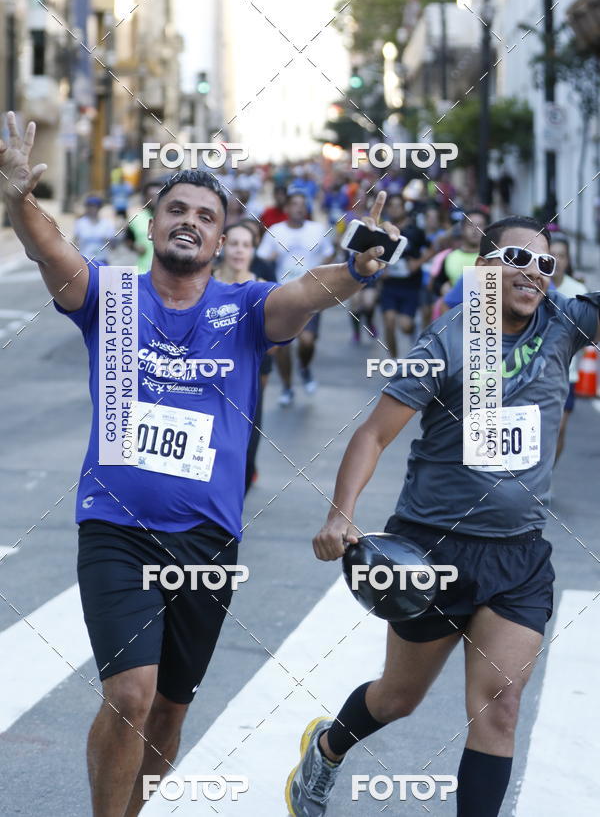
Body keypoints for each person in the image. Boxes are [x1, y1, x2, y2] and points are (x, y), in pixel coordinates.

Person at [0, 112, 399, 817]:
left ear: (222, 239)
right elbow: (54, 255)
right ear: (152, 228)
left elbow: (306, 293)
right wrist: (17, 199)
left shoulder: (245, 308)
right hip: (116, 531)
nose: (188, 221)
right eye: (174, 210)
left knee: (169, 714)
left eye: (205, 216)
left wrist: (359, 265)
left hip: (207, 543)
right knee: (130, 692)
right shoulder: (114, 299)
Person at [286, 215, 600, 817]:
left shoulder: (564, 323)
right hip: (432, 551)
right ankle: (327, 747)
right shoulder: (450, 340)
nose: (532, 271)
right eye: (516, 257)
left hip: (518, 553)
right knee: (398, 698)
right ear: (484, 266)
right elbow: (374, 435)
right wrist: (340, 515)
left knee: (500, 707)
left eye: (545, 263)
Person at [257, 192, 335, 405]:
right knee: (282, 346)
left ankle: (305, 367)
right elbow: (261, 259)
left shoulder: (317, 230)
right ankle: (287, 387)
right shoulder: (275, 231)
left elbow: (329, 253)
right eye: (295, 204)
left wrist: (322, 272)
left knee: (307, 341)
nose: (299, 208)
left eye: (303, 204)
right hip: (282, 294)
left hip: (311, 294)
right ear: (287, 208)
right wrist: (270, 262)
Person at [213, 222, 273, 491]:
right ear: (222, 245)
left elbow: (276, 342)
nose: (239, 251)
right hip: (204, 378)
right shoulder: (203, 281)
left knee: (246, 456)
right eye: (233, 244)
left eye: (245, 245)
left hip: (247, 381)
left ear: (253, 251)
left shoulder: (263, 290)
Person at [379, 195, 432, 358]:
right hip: (390, 285)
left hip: (410, 286)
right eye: (392, 206)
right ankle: (393, 360)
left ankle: (411, 329)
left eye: (398, 206)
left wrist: (418, 262)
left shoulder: (415, 231)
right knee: (389, 322)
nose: (395, 209)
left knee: (405, 326)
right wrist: (381, 269)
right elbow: (373, 254)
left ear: (404, 208)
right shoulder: (383, 232)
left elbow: (431, 248)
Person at [550, 233, 588, 462]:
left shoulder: (578, 290)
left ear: (568, 260)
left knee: (559, 429)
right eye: (552, 255)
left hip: (568, 373)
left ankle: (547, 475)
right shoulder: (533, 284)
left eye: (561, 256)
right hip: (539, 372)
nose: (557, 260)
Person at [126, 178, 163, 274]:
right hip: (142, 272)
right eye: (151, 196)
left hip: (165, 276)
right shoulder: (136, 219)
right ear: (145, 197)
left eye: (157, 195)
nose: (154, 199)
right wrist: (135, 247)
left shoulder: (172, 218)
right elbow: (127, 240)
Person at [73, 195, 116, 265]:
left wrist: (110, 240)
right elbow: (75, 242)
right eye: (89, 206)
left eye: (94, 206)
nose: (91, 209)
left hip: (102, 260)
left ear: (99, 208)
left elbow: (113, 246)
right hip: (85, 261)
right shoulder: (80, 223)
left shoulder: (107, 224)